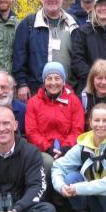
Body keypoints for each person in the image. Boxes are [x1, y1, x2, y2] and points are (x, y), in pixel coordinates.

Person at [12, 0, 79, 101]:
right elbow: (19, 56)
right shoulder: (29, 24)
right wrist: (21, 84)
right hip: (37, 90)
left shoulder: (72, 23)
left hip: (68, 89)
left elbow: (79, 56)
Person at [25, 62, 85, 193]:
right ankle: (46, 197)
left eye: (57, 78)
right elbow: (31, 132)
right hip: (43, 149)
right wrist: (48, 148)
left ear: (63, 81)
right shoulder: (34, 102)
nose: (53, 82)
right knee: (48, 162)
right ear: (44, 81)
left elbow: (77, 130)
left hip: (68, 148)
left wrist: (65, 148)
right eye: (49, 78)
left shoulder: (73, 101)